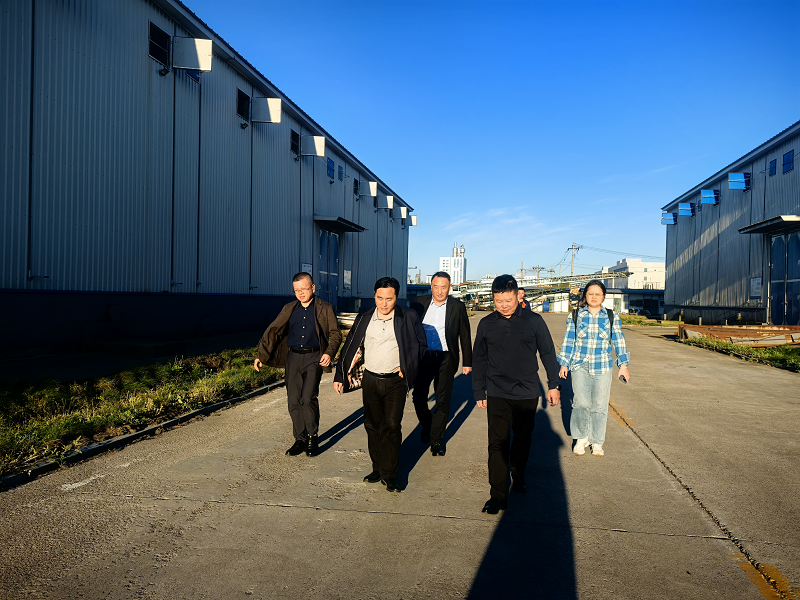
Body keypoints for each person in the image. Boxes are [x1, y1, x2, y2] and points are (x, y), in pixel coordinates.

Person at [472, 275, 561, 514]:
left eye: (508, 300)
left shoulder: (534, 321)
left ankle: (518, 472)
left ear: (518, 296)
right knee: (497, 444)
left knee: (522, 439)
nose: (503, 305)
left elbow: (547, 352)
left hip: (526, 393)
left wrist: (554, 385)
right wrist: (478, 389)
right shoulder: (486, 324)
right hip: (497, 392)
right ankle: (497, 495)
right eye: (498, 301)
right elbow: (479, 358)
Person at [334, 277, 427, 492]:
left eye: (389, 299)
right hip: (371, 379)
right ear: (374, 296)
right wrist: (340, 375)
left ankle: (390, 474)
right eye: (379, 298)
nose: (384, 304)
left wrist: (407, 366)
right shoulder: (364, 318)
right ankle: (377, 468)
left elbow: (421, 345)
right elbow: (349, 346)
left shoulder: (408, 317)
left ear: (397, 297)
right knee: (372, 425)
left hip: (396, 381)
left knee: (391, 425)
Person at [254, 272, 341, 458]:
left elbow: (336, 334)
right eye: (296, 290)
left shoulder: (325, 308)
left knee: (308, 398)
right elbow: (274, 331)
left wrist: (329, 353)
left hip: (314, 358)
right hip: (293, 358)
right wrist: (262, 355)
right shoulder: (289, 308)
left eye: (304, 289)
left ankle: (312, 437)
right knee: (293, 400)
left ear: (313, 288)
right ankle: (300, 439)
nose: (301, 293)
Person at [557, 279, 630, 457]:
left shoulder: (611, 316)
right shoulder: (576, 315)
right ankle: (581, 438)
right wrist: (564, 363)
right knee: (581, 403)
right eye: (590, 294)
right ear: (585, 296)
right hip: (579, 365)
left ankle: (597, 441)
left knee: (599, 405)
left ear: (603, 296)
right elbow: (569, 341)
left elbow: (618, 341)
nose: (594, 297)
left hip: (602, 365)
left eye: (598, 294)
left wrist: (623, 366)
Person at [410, 271, 472, 456]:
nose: (439, 291)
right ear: (431, 286)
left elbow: (465, 335)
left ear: (449, 287)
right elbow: (409, 330)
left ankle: (437, 441)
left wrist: (467, 362)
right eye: (436, 286)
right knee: (418, 397)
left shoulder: (457, 306)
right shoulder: (419, 303)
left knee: (443, 400)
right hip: (423, 357)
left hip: (446, 358)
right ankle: (428, 425)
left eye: (443, 287)